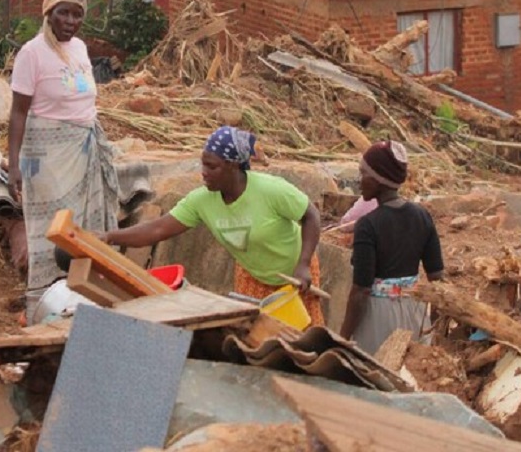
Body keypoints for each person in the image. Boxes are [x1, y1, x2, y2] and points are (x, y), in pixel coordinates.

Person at [103, 126, 326, 326]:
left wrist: (304, 264)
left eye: (212, 166)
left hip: (297, 273)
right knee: (255, 336)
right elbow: (158, 229)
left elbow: (311, 216)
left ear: (233, 165)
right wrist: (110, 237)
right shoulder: (201, 201)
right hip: (253, 276)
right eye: (203, 164)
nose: (204, 172)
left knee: (303, 336)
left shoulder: (271, 190)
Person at [8, 0, 118, 319]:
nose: (70, 21)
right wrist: (13, 164)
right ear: (48, 14)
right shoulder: (33, 53)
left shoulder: (81, 49)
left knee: (83, 228)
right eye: (63, 13)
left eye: (77, 14)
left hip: (84, 148)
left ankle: (84, 298)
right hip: (47, 154)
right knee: (53, 230)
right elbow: (17, 112)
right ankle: (43, 304)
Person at [339, 140, 444, 354]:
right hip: (415, 311)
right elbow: (437, 277)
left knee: (375, 375)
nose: (360, 181)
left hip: (379, 318)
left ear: (379, 179)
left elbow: (361, 290)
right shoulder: (422, 216)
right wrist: (434, 323)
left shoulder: (368, 225)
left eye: (364, 174)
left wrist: (341, 337)